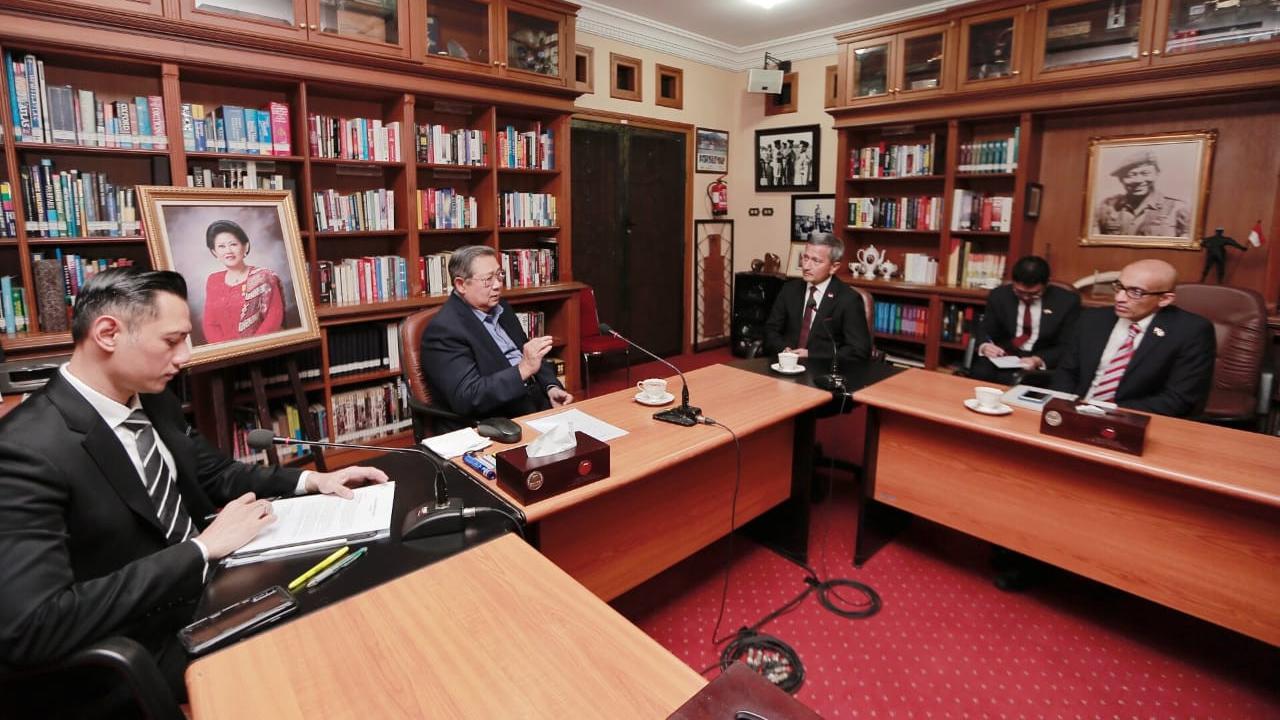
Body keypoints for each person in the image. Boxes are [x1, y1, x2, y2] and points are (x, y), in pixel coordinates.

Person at [0, 268, 387, 715]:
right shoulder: (24, 453)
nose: (186, 356)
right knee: (319, 658)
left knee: (350, 594)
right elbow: (32, 626)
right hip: (142, 639)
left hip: (208, 585)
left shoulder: (152, 397)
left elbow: (213, 472)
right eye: (171, 341)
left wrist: (311, 481)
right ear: (108, 333)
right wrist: (201, 550)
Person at [421, 245, 571, 430]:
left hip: (536, 404)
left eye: (499, 275)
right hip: (498, 420)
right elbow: (468, 397)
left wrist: (551, 387)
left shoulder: (501, 309)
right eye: (487, 279)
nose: (497, 285)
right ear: (461, 285)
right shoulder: (444, 331)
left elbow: (528, 354)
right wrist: (523, 370)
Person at [1051, 259, 1215, 418]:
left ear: (1164, 299)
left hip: (1134, 419)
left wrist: (1105, 411)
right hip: (1076, 412)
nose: (1119, 298)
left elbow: (1178, 399)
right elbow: (1066, 371)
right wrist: (1066, 407)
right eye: (1119, 287)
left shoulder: (1191, 331)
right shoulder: (1092, 319)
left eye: (1136, 292)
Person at [763, 233, 871, 368]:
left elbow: (858, 350)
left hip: (823, 371)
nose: (806, 266)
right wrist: (784, 350)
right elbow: (770, 331)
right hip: (785, 367)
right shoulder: (789, 290)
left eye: (816, 261)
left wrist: (811, 354)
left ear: (834, 267)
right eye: (805, 258)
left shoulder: (848, 299)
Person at [970, 256, 1081, 385]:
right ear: (1013, 282)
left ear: (1047, 284)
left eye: (1034, 293)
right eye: (1020, 292)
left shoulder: (1067, 301)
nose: (1026, 297)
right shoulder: (999, 295)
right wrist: (985, 345)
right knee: (979, 374)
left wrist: (1038, 360)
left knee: (1022, 382)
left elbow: (1068, 344)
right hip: (1004, 354)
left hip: (1039, 359)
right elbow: (985, 329)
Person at [201, 219, 285, 343]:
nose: (228, 251)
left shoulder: (263, 277)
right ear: (214, 252)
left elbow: (274, 317)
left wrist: (250, 349)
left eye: (233, 244)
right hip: (225, 355)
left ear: (245, 246)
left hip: (262, 350)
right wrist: (224, 351)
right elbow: (210, 323)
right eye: (221, 246)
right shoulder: (213, 280)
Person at [1093, 150, 1191, 237]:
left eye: (1145, 173)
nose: (1138, 180)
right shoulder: (1107, 207)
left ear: (1156, 174)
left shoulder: (1177, 208)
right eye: (1130, 175)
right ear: (1121, 179)